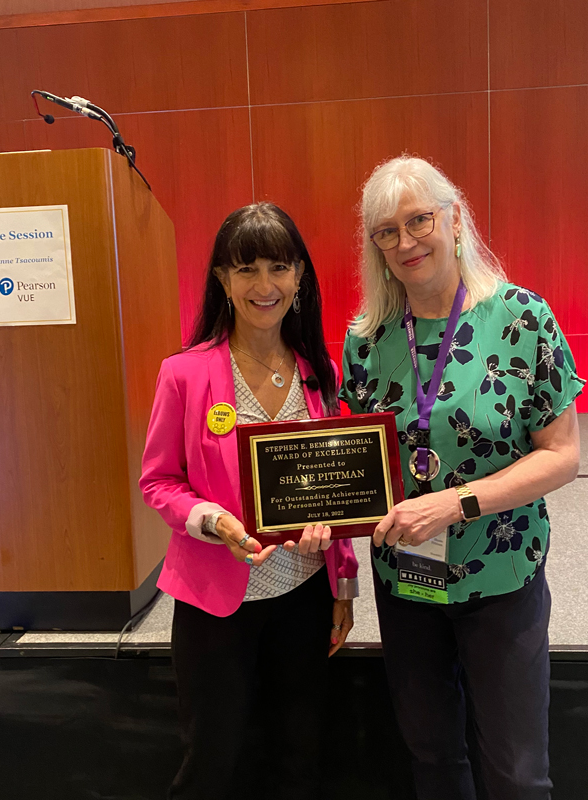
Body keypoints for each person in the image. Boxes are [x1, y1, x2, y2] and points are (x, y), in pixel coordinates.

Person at [340, 155, 584, 800]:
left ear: (453, 219)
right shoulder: (365, 340)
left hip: (502, 574)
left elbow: (562, 454)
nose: (406, 242)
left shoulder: (523, 319)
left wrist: (454, 504)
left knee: (517, 771)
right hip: (407, 579)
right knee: (434, 759)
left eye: (418, 220)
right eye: (386, 232)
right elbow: (359, 463)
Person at [140, 202, 359, 800]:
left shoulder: (320, 371)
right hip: (217, 602)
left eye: (279, 268)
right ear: (221, 278)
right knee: (211, 759)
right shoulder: (184, 374)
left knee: (299, 752)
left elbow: (336, 490)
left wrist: (344, 587)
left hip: (305, 595)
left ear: (300, 277)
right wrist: (212, 521)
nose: (265, 286)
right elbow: (159, 481)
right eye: (247, 269)